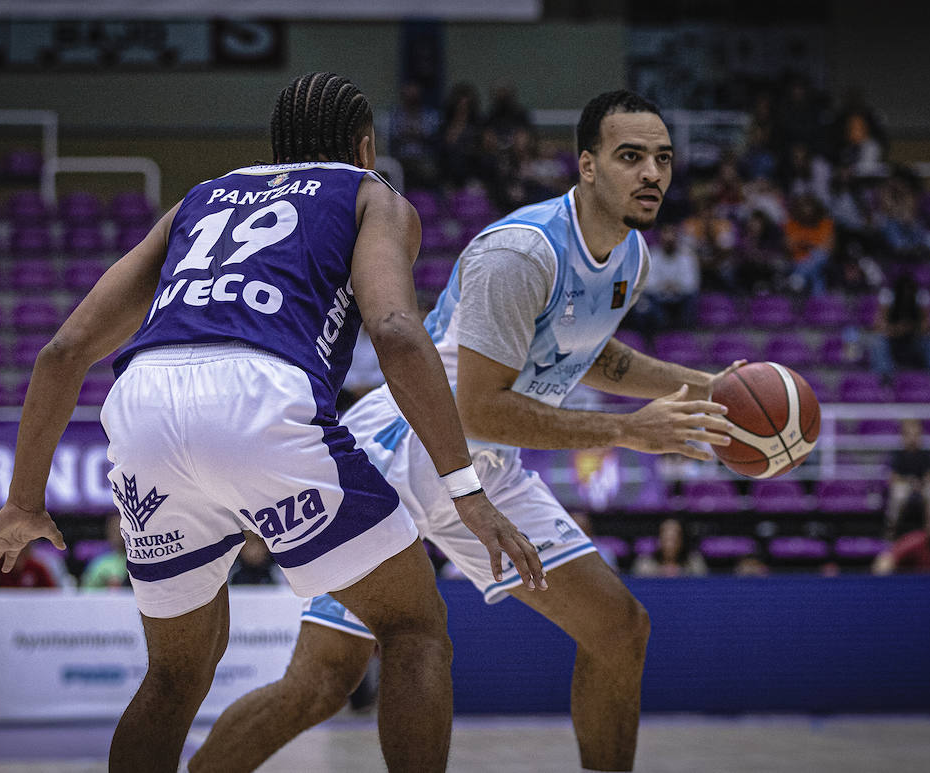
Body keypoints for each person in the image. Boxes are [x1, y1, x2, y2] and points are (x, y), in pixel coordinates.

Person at [0, 72, 544, 773]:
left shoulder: (198, 200)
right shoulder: (371, 196)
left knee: (173, 677)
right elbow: (393, 328)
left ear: (277, 148)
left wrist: (24, 501)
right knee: (413, 627)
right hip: (260, 395)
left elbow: (64, 352)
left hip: (143, 402)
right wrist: (465, 489)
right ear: (364, 148)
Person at [206, 89, 739, 773]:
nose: (652, 174)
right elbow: (475, 409)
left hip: (481, 464)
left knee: (618, 628)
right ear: (586, 165)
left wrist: (705, 386)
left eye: (662, 159)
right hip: (401, 450)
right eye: (630, 156)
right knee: (323, 681)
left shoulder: (630, 259)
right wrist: (628, 432)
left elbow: (594, 353)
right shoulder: (521, 252)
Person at [868, 274, 930, 382]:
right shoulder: (888, 298)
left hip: (914, 342)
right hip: (894, 343)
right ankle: (885, 377)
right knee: (878, 341)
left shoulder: (920, 298)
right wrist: (896, 329)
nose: (906, 294)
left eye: (909, 292)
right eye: (904, 291)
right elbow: (878, 325)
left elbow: (929, 325)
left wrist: (913, 328)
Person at [885, 419, 930, 538]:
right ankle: (892, 530)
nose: (913, 438)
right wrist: (910, 482)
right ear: (904, 436)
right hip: (904, 485)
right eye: (909, 434)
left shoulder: (926, 454)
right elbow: (893, 478)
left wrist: (921, 483)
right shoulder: (897, 454)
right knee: (898, 495)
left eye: (916, 434)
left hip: (922, 486)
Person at [631, 518, 707, 577]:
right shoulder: (644, 565)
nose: (670, 544)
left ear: (682, 540)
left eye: (675, 539)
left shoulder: (694, 563)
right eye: (666, 539)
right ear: (659, 539)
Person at [80, 514, 129, 590]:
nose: (118, 535)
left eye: (121, 530)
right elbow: (85, 591)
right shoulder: (99, 563)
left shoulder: (142, 560)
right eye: (113, 530)